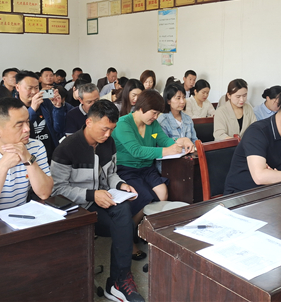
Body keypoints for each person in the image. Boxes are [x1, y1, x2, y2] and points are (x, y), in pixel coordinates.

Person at [51, 100, 145, 302]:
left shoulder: (108, 143)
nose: (108, 135)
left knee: (124, 211)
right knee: (124, 224)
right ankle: (119, 282)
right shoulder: (66, 148)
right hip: (75, 207)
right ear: (89, 122)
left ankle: (119, 280)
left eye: (112, 129)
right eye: (104, 129)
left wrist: (121, 185)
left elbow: (111, 174)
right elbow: (57, 190)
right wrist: (92, 195)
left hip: (99, 200)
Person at [113, 90, 194, 224]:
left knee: (163, 193)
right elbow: (136, 151)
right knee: (146, 199)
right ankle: (131, 229)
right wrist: (166, 151)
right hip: (127, 169)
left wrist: (181, 142)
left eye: (158, 114)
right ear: (141, 108)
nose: (156, 117)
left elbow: (163, 140)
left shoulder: (152, 125)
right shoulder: (123, 124)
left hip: (146, 168)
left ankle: (148, 227)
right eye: (154, 113)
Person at [16, 71, 70, 162]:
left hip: (50, 154)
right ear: (17, 87)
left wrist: (58, 108)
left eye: (36, 88)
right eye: (29, 88)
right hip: (28, 156)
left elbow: (59, 128)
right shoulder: (12, 107)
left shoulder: (46, 103)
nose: (34, 92)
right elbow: (19, 130)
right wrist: (32, 109)